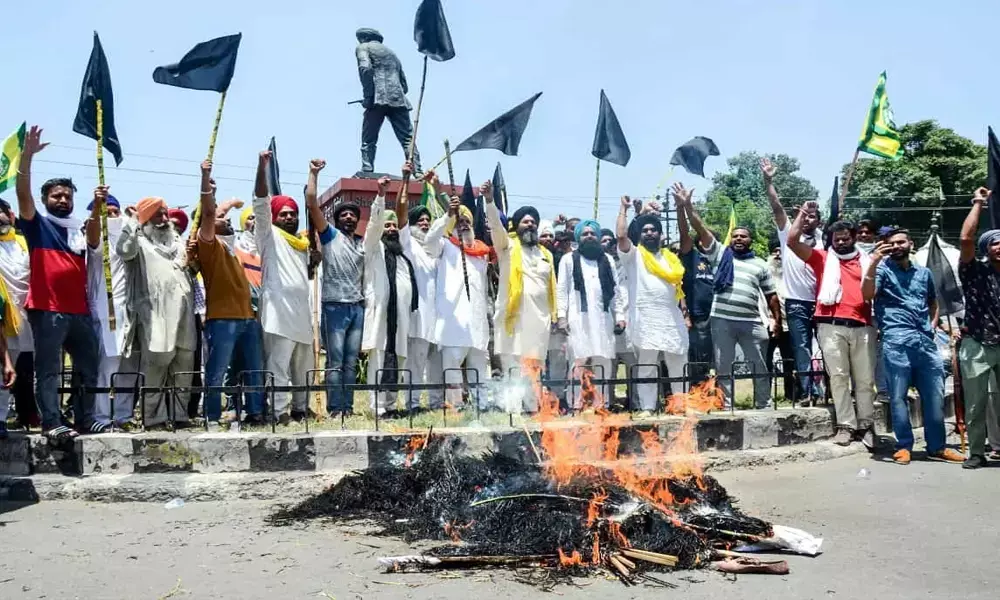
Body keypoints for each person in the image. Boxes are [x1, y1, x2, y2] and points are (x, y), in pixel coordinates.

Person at [15, 125, 103, 439]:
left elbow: (94, 242)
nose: (63, 199)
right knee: (49, 369)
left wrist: (97, 206)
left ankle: (85, 417)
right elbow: (22, 194)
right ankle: (52, 422)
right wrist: (27, 157)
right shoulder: (37, 224)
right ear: (46, 199)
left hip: (79, 310)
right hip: (47, 309)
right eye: (56, 195)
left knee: (87, 366)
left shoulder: (79, 229)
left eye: (67, 195)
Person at [862, 229, 964, 464]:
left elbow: (933, 302)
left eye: (901, 242)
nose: (896, 246)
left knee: (934, 395)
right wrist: (874, 261)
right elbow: (867, 294)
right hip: (896, 340)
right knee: (898, 397)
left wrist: (932, 326)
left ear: (910, 244)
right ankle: (904, 446)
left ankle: (937, 447)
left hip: (925, 342)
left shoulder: (924, 272)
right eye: (891, 243)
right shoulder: (883, 270)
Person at [787, 203, 876, 447]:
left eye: (845, 238)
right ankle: (846, 426)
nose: (840, 243)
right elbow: (792, 241)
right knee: (838, 377)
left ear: (855, 238)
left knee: (865, 380)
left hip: (864, 324)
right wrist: (802, 215)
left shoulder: (869, 261)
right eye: (836, 239)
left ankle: (866, 425)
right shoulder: (823, 258)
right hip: (830, 324)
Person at [117, 196, 197, 428]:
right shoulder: (138, 240)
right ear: (144, 218)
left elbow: (191, 268)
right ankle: (153, 418)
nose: (164, 219)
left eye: (165, 213)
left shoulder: (178, 241)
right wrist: (133, 221)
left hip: (184, 311)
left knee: (184, 362)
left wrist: (192, 258)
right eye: (157, 215)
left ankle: (179, 415)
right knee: (157, 362)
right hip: (155, 313)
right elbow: (123, 251)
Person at [196, 159, 264, 429]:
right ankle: (212, 416)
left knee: (254, 370)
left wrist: (231, 204)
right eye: (220, 218)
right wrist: (206, 182)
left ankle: (255, 413)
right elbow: (210, 215)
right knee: (217, 372)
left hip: (247, 318)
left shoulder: (235, 248)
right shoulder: (209, 247)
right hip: (222, 320)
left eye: (227, 218)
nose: (226, 220)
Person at [693, 207, 779, 409]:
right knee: (723, 366)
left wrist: (776, 320)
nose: (738, 239)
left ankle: (763, 403)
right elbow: (702, 230)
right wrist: (688, 207)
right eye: (735, 236)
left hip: (752, 322)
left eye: (743, 236)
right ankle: (727, 405)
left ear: (750, 240)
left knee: (759, 364)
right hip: (722, 320)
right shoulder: (720, 255)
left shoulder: (760, 265)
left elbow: (771, 295)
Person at [253, 151, 313, 424]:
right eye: (284, 214)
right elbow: (261, 203)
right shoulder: (268, 234)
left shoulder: (302, 243)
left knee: (303, 365)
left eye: (293, 214)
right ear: (275, 217)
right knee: (278, 365)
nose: (289, 217)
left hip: (301, 312)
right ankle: (278, 412)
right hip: (278, 313)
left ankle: (301, 409)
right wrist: (262, 167)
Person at [618, 191, 689, 416]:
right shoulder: (634, 255)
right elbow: (621, 237)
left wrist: (684, 311)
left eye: (653, 230)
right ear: (640, 235)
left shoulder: (670, 258)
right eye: (645, 230)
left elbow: (678, 288)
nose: (649, 233)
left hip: (670, 315)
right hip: (645, 316)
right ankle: (648, 407)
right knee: (647, 365)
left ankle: (681, 404)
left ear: (660, 234)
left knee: (677, 360)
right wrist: (624, 210)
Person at [487, 199, 556, 413]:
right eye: (525, 222)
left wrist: (557, 316)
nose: (530, 225)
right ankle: (512, 411)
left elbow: (552, 288)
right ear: (517, 226)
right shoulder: (507, 248)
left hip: (539, 321)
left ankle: (531, 409)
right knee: (513, 366)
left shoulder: (546, 255)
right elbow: (496, 229)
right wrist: (490, 202)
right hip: (514, 319)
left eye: (533, 222)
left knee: (534, 367)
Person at [763, 158, 821, 405]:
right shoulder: (788, 236)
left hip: (824, 302)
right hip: (797, 303)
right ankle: (808, 392)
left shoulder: (825, 240)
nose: (808, 220)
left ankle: (828, 390)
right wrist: (768, 180)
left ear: (819, 220)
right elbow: (776, 207)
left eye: (813, 217)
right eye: (804, 216)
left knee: (827, 350)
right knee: (802, 349)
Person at [361, 175, 418, 416]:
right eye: (388, 226)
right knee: (380, 359)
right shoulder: (374, 249)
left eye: (394, 225)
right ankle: (378, 407)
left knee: (400, 359)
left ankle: (392, 405)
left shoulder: (403, 257)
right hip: (381, 317)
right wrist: (381, 197)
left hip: (402, 319)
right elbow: (373, 226)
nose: (391, 229)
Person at [311, 176, 366, 418]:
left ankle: (348, 407)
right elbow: (312, 204)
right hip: (334, 307)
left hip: (357, 308)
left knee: (351, 362)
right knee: (335, 361)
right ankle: (335, 409)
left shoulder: (362, 244)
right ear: (336, 219)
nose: (348, 217)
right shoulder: (330, 236)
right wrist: (314, 174)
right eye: (343, 214)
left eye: (352, 214)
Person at [557, 218, 625, 410]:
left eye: (592, 233)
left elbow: (615, 292)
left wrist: (619, 316)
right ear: (579, 237)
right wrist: (561, 316)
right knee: (577, 361)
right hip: (578, 318)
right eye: (585, 234)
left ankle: (601, 405)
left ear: (597, 237)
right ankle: (575, 404)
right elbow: (562, 289)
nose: (589, 236)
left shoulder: (608, 260)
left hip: (603, 319)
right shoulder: (568, 259)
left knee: (603, 362)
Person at [434, 188, 491, 410]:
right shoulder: (444, 246)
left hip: (477, 322)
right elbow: (430, 239)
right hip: (454, 321)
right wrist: (448, 214)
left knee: (479, 368)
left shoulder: (482, 251)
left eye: (467, 221)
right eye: (460, 222)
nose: (464, 225)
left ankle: (481, 407)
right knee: (453, 367)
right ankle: (454, 407)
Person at [957, 187, 1000, 469]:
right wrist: (978, 203)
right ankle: (976, 453)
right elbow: (965, 238)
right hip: (977, 344)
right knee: (976, 403)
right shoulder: (974, 270)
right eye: (995, 243)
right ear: (986, 249)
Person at [401, 164, 445, 412]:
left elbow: (453, 218)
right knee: (415, 364)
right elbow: (401, 216)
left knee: (436, 364)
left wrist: (438, 189)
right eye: (422, 220)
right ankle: (413, 404)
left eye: (429, 220)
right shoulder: (410, 245)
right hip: (417, 316)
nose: (426, 224)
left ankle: (437, 403)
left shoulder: (438, 250)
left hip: (438, 317)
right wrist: (406, 179)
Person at [86, 195, 131, 428]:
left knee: (128, 367)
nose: (112, 216)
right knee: (108, 366)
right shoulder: (98, 240)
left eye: (115, 211)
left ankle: (123, 416)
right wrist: (97, 207)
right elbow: (93, 238)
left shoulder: (127, 238)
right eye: (107, 212)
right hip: (106, 312)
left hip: (131, 313)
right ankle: (101, 417)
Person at [355, 28, 421, 173]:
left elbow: (365, 69)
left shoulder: (363, 47)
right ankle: (418, 171)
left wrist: (368, 97)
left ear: (364, 38)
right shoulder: (393, 55)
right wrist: (394, 94)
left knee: (368, 139)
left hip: (377, 99)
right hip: (398, 100)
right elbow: (404, 85)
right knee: (407, 138)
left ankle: (367, 169)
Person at [676, 187, 716, 388]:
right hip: (697, 316)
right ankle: (697, 392)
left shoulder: (719, 258)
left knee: (716, 359)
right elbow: (684, 233)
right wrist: (680, 207)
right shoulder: (692, 257)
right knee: (697, 357)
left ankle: (715, 394)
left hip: (718, 317)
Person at [0, 198, 30, 436]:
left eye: (2, 212)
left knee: (25, 369)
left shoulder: (23, 242)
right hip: (3, 315)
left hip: (27, 315)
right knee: (3, 367)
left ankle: (28, 414)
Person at [601, 227, 636, 409]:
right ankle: (609, 403)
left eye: (611, 241)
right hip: (606, 325)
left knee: (633, 367)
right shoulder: (598, 264)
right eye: (604, 241)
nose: (608, 245)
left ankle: (635, 402)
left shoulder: (628, 263)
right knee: (609, 368)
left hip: (629, 322)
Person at [764, 239, 795, 402]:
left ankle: (791, 395)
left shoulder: (792, 273)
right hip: (768, 322)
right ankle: (764, 395)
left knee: (789, 360)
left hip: (789, 323)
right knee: (765, 361)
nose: (777, 255)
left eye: (780, 251)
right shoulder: (763, 271)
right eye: (774, 251)